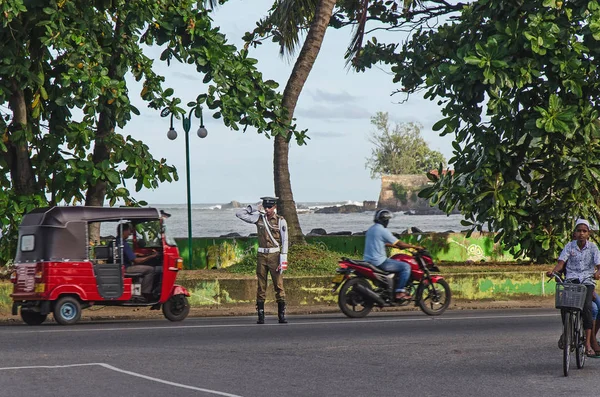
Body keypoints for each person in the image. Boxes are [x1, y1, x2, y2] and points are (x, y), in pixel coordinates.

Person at [547, 219, 600, 357]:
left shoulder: (593, 248)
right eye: (579, 231)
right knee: (565, 305)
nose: (581, 233)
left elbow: (599, 266)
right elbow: (561, 263)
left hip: (587, 282)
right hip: (571, 281)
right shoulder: (569, 247)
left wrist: (597, 273)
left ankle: (588, 343)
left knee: (588, 307)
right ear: (575, 233)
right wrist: (553, 272)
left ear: (588, 234)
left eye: (584, 231)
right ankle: (567, 331)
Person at [236, 196, 288, 324]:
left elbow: (285, 239)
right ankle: (261, 315)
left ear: (274, 207)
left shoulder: (281, 221)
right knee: (261, 286)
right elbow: (239, 213)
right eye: (265, 207)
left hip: (275, 255)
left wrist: (284, 258)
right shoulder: (258, 218)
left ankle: (281, 315)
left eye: (270, 207)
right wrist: (255, 207)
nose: (267, 209)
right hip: (261, 256)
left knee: (279, 285)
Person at [364, 209, 423, 300]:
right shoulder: (382, 230)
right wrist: (415, 247)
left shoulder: (371, 229)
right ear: (385, 220)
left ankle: (390, 288)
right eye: (387, 220)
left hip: (368, 260)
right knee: (406, 267)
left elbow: (381, 242)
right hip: (379, 261)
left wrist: (394, 246)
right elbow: (400, 243)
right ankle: (399, 292)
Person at [118, 223, 160, 302]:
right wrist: (151, 256)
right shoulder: (123, 244)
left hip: (121, 266)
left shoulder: (119, 241)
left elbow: (128, 254)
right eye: (129, 231)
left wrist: (142, 254)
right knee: (150, 270)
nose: (130, 233)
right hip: (126, 268)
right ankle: (144, 294)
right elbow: (136, 260)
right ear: (124, 231)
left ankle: (139, 291)